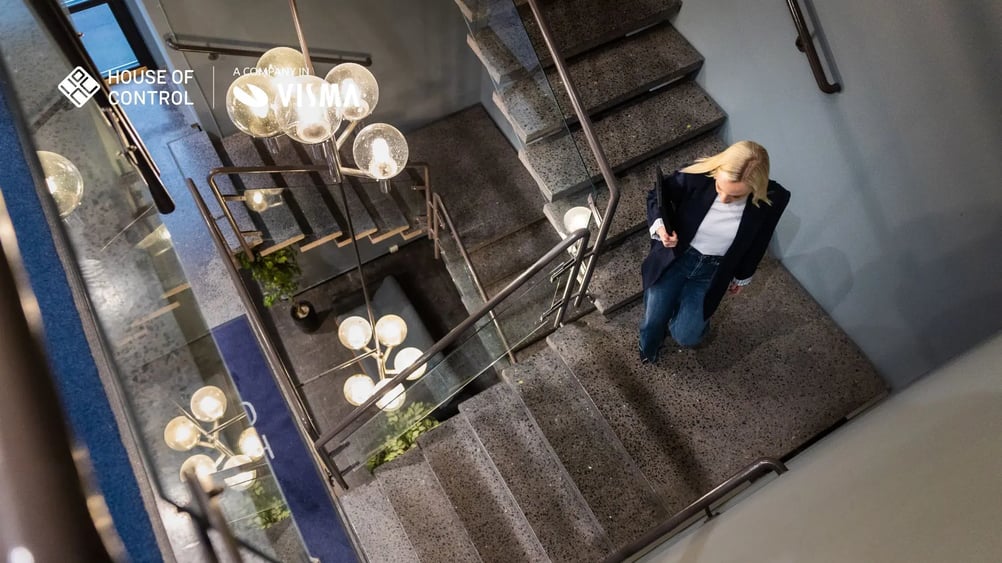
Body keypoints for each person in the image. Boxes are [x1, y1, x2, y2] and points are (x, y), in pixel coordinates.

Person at [639, 140, 790, 362]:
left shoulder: (775, 198)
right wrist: (661, 226)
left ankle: (680, 313)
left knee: (687, 335)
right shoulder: (698, 176)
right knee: (653, 320)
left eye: (736, 196)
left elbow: (760, 239)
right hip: (677, 258)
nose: (724, 199)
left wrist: (742, 276)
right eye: (720, 188)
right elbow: (656, 196)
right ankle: (648, 350)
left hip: (713, 271)